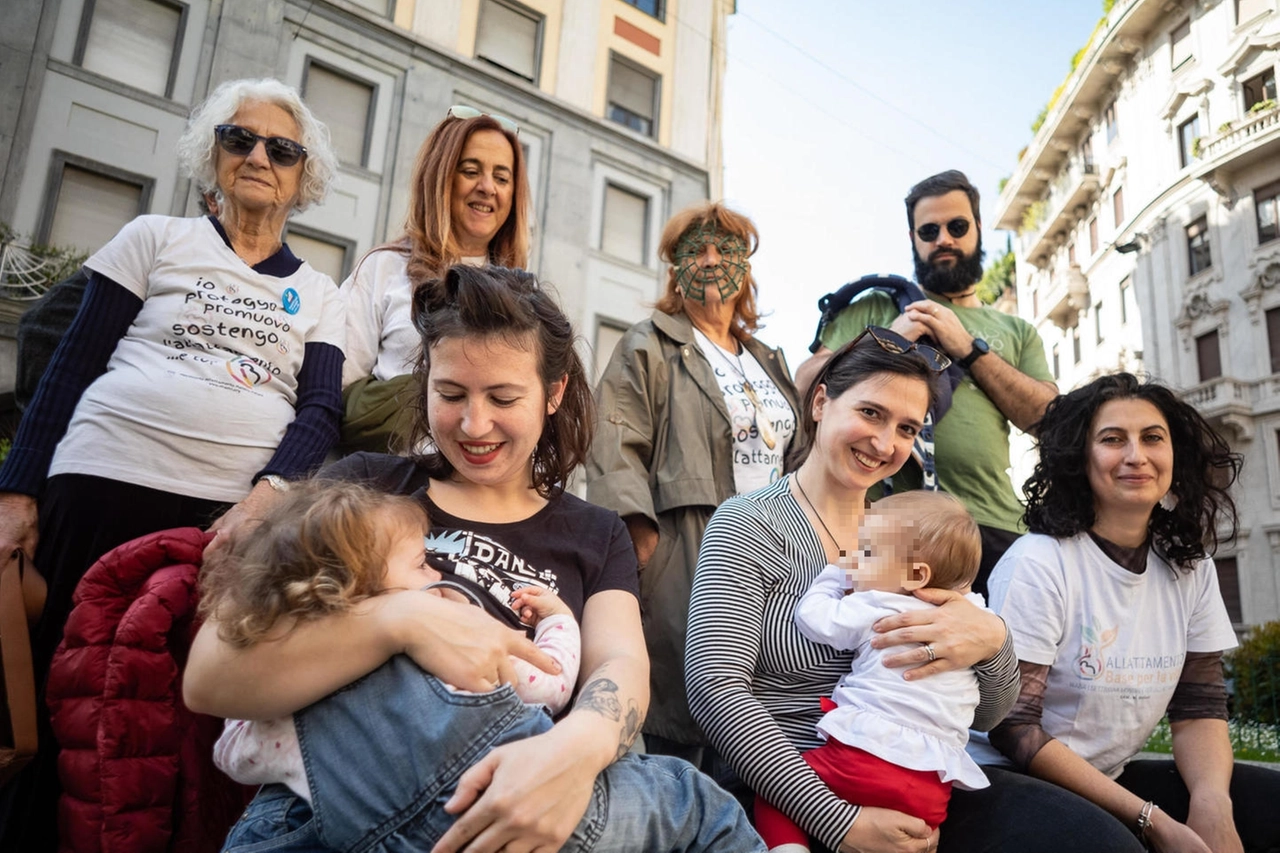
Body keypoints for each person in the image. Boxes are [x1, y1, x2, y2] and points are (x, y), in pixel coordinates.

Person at [185, 264, 765, 853]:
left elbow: (620, 666)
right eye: (451, 394)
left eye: (503, 397)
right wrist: (401, 623)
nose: (473, 424)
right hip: (326, 803)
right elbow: (210, 676)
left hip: (523, 787)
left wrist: (571, 756)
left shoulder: (598, 533)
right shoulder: (363, 486)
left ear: (554, 393)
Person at [0, 77, 342, 850]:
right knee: (65, 696)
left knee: (175, 728)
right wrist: (16, 491)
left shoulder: (320, 293)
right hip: (97, 489)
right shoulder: (153, 237)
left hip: (220, 523)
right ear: (211, 153)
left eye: (281, 148)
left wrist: (265, 497)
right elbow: (70, 364)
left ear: (302, 176)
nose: (258, 155)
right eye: (238, 138)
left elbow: (320, 408)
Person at [686, 327, 1147, 853]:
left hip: (917, 784)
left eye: (906, 428)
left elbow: (989, 715)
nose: (884, 444)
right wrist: (838, 822)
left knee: (1098, 843)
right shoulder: (751, 524)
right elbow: (714, 691)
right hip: (781, 796)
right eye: (871, 413)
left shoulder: (915, 535)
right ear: (820, 402)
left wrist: (991, 643)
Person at [971, 373, 1280, 853]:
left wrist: (1212, 803)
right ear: (1080, 458)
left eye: (1152, 438)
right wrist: (1152, 821)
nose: (1136, 455)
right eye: (1113, 440)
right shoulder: (1040, 562)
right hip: (1002, 776)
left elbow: (1198, 706)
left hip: (1106, 776)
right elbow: (1013, 729)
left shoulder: (1188, 566)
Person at [204, 480, 581, 805]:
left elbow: (235, 754)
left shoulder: (297, 684)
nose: (436, 572)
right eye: (421, 565)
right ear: (358, 589)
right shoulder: (453, 649)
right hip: (474, 810)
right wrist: (557, 620)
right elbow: (551, 684)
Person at [586, 201, 799, 767]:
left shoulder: (768, 359)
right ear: (674, 266)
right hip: (691, 556)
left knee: (765, 715)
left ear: (745, 267)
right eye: (694, 249)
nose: (710, 259)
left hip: (778, 558)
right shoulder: (648, 344)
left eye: (725, 249)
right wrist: (637, 542)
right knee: (685, 724)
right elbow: (613, 442)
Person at [794, 170, 1056, 595]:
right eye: (929, 230)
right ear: (913, 238)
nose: (943, 240)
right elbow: (805, 385)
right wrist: (889, 339)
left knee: (996, 658)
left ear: (977, 228)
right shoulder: (877, 307)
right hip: (887, 530)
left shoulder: (1017, 330)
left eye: (957, 227)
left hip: (995, 528)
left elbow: (1050, 419)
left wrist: (968, 349)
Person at [754, 490, 989, 853]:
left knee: (776, 791)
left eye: (865, 552)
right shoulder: (970, 616)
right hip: (933, 788)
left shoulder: (878, 604)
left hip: (861, 760)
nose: (854, 558)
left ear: (914, 575)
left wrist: (835, 575)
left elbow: (814, 618)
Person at [339, 105, 529, 454]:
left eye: (502, 178)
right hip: (392, 492)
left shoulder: (523, 294)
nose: (488, 188)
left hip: (481, 500)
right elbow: (334, 392)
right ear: (440, 177)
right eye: (471, 171)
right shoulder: (382, 269)